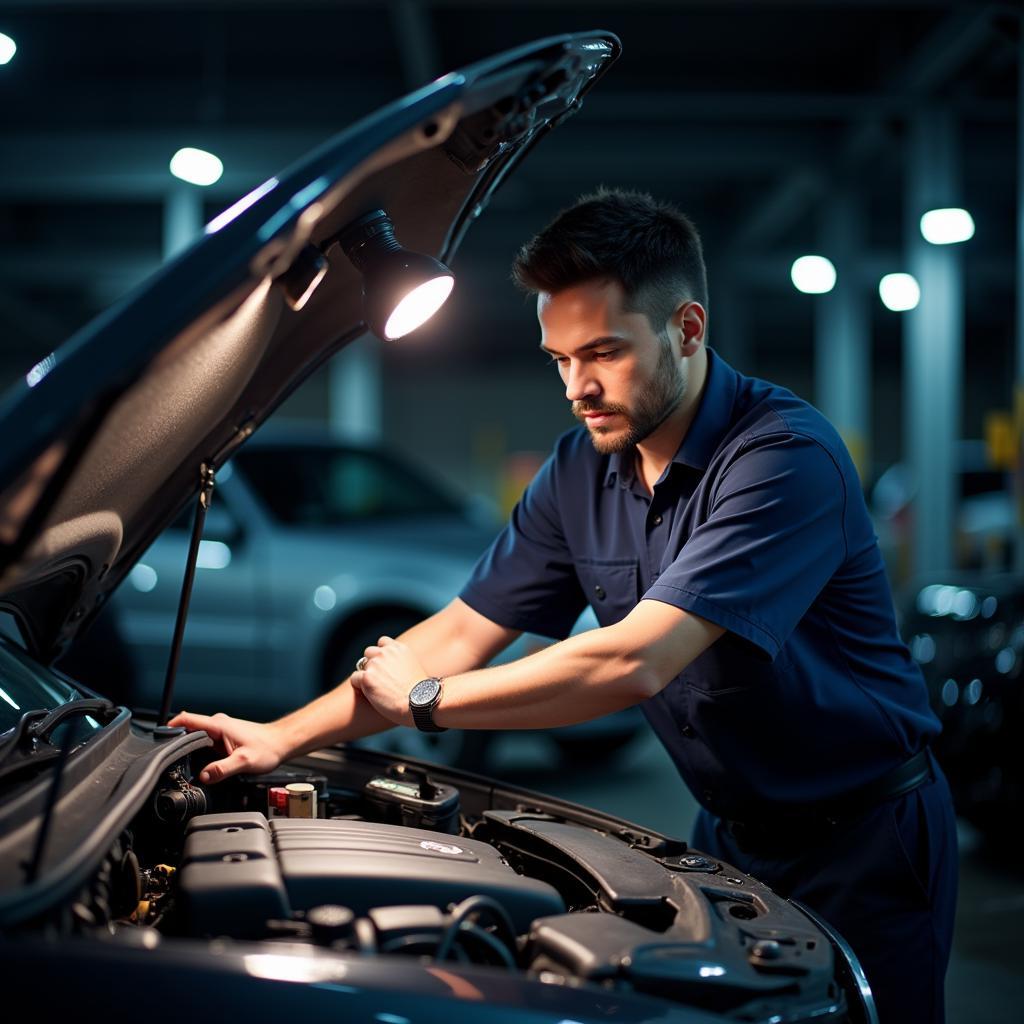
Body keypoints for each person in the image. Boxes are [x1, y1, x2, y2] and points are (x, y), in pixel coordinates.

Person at [171, 188, 957, 1023]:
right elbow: (463, 629)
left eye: (604, 352)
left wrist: (427, 704)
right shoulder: (579, 470)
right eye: (559, 358)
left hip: (868, 839)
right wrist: (282, 737)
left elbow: (634, 658)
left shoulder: (783, 459)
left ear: (687, 329)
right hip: (730, 837)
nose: (577, 387)